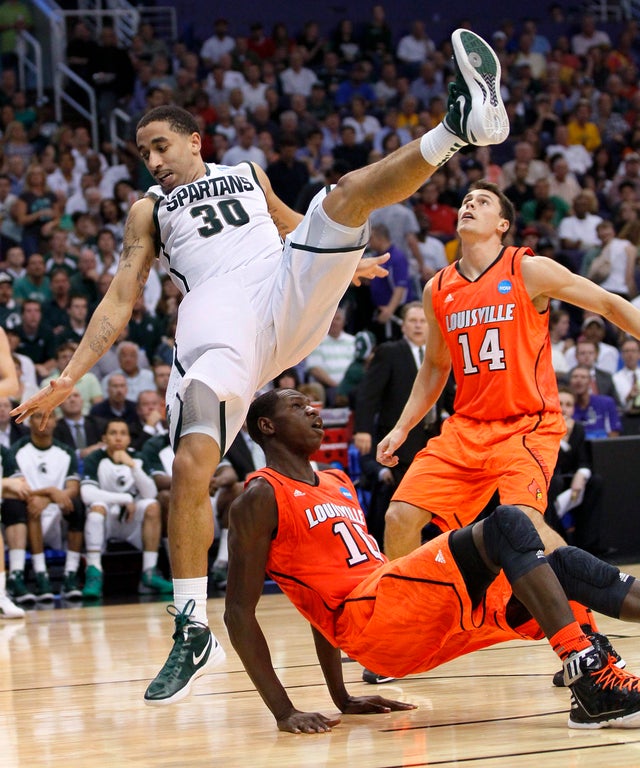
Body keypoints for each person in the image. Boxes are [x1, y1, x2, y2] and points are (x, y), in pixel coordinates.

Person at [12, 29, 510, 706]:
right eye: (142, 153)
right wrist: (71, 374)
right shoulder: (149, 209)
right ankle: (192, 627)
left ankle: (459, 127)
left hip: (282, 295)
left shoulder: (246, 173)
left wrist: (342, 260)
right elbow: (122, 295)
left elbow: (292, 226)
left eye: (160, 146)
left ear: (194, 141)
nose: (152, 161)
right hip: (222, 329)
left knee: (342, 197)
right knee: (191, 462)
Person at [224, 388, 640, 733]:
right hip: (370, 622)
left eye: (311, 403)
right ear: (268, 426)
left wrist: (342, 697)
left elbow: (320, 604)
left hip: (402, 616)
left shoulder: (337, 480)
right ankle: (589, 678)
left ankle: (595, 680)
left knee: (563, 565)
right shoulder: (260, 497)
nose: (313, 410)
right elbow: (238, 613)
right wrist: (284, 711)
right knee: (507, 524)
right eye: (297, 406)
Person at [80, 418, 172, 599]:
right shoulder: (95, 458)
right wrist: (125, 499)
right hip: (107, 519)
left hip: (131, 521)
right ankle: (94, 572)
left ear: (129, 439)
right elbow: (86, 494)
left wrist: (133, 467)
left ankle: (149, 572)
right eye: (113, 433)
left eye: (123, 433)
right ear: (104, 438)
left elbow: (151, 493)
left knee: (152, 506)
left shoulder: (137, 458)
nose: (118, 438)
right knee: (96, 509)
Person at [7, 409, 84, 601]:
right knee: (32, 506)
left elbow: (73, 488)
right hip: (29, 513)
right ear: (29, 422)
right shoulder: (17, 450)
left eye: (49, 417)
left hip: (58, 512)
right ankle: (41, 576)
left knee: (77, 506)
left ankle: (70, 575)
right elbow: (18, 488)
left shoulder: (65, 451)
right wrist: (50, 491)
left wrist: (49, 498)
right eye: (38, 416)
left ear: (56, 421)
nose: (45, 421)